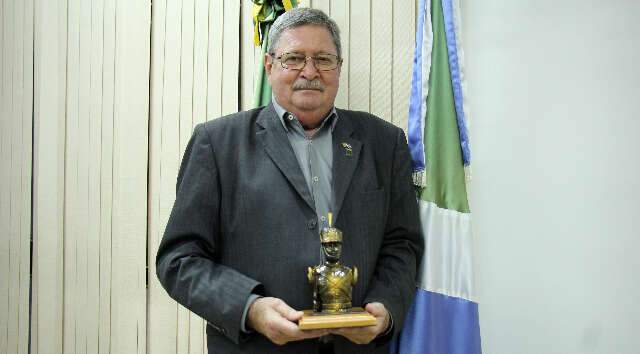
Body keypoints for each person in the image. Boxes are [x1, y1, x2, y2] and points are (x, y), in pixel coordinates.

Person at [156, 7, 423, 354]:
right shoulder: (218, 143)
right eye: (294, 58)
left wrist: (385, 311)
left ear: (338, 69)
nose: (309, 72)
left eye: (323, 59)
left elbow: (402, 245)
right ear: (270, 66)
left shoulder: (384, 143)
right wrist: (250, 308)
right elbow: (179, 259)